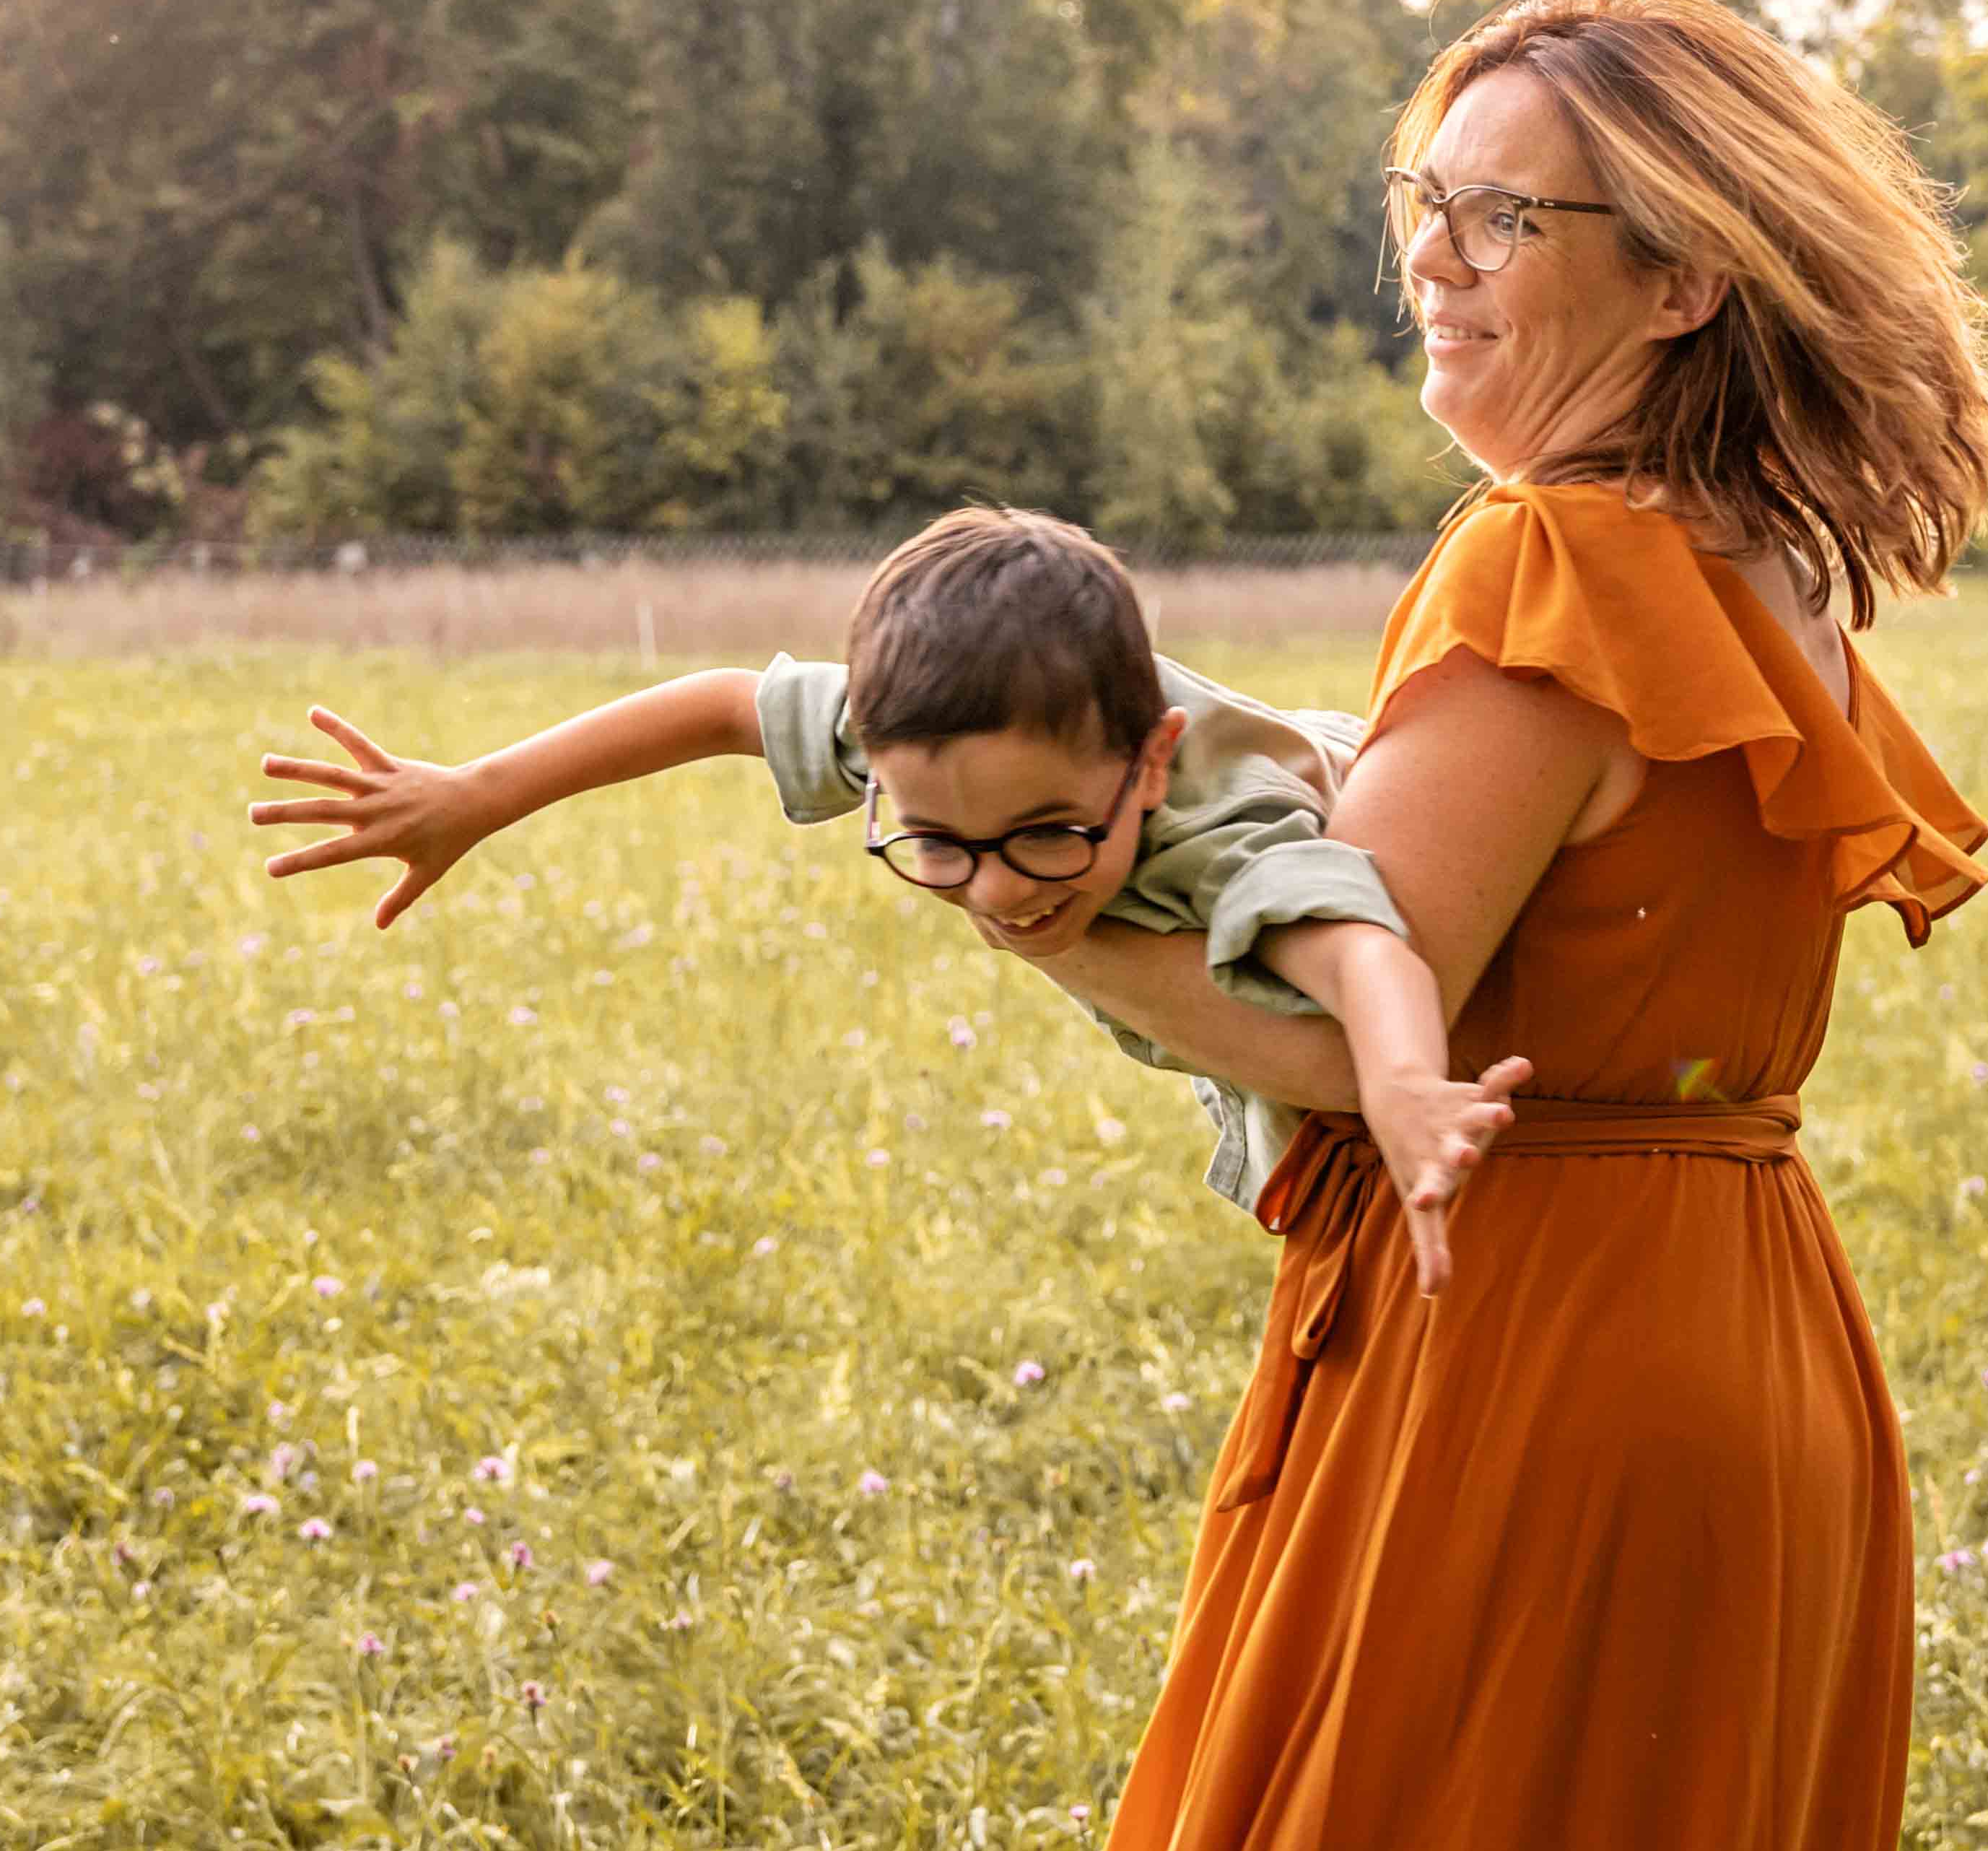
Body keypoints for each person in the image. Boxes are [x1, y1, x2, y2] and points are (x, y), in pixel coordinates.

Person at [1006, 0, 1988, 1851]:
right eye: (1424, 200)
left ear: (1679, 278)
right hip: (1747, 1342)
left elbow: (1316, 1034)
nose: (1434, 261)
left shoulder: (1555, 561)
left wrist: (1035, 912)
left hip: (1530, 1348)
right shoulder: (1769, 570)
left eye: (1506, 216)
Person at [241, 505, 1534, 1289]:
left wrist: (1406, 1083)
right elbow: (717, 708)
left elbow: (1364, 947)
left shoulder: (1219, 827)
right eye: (939, 845)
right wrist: (477, 793)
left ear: (1145, 764)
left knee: (1317, 1061)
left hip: (1362, 786)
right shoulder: (924, 725)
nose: (992, 890)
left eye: (1044, 838)